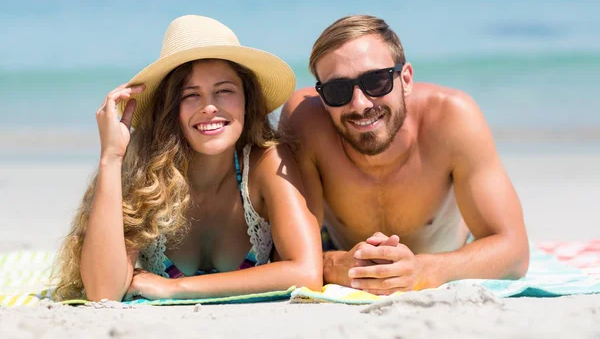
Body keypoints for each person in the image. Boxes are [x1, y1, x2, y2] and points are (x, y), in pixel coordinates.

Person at [53, 15, 322, 301]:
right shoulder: (145, 172)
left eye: (224, 91)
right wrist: (111, 157)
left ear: (247, 99)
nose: (209, 107)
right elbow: (102, 292)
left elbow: (306, 274)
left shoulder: (266, 162)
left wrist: (174, 288)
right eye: (191, 95)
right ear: (171, 109)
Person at [279, 15, 529, 295]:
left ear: (406, 79)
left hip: (445, 253)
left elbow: (514, 252)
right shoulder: (306, 123)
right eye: (338, 90)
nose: (360, 104)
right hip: (341, 250)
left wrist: (423, 270)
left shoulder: (452, 117)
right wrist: (338, 264)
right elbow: (291, 253)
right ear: (323, 97)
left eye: (376, 81)